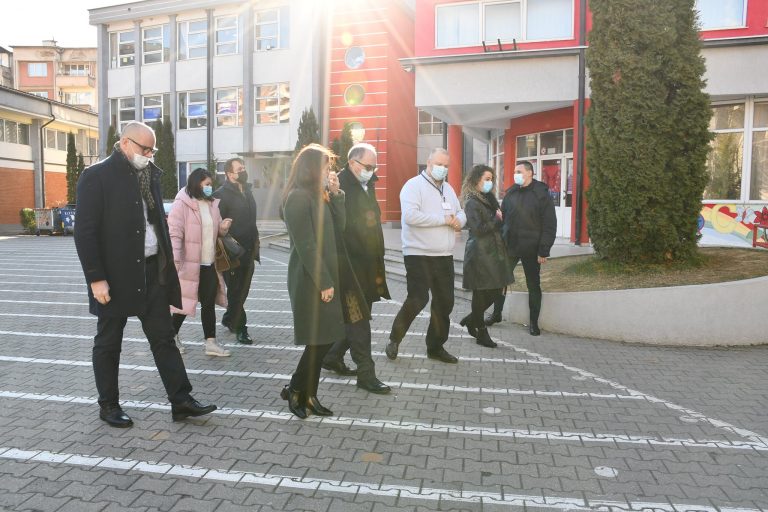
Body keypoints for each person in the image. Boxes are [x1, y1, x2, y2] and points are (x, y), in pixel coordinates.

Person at [74, 121, 217, 428]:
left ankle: (181, 401)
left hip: (151, 272)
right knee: (109, 341)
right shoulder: (96, 176)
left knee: (164, 338)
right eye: (145, 149)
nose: (150, 154)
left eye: (153, 149)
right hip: (114, 277)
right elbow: (84, 232)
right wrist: (96, 277)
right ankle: (108, 405)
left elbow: (155, 223)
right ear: (125, 143)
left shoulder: (149, 174)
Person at [280, 143, 347, 418]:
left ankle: (307, 392)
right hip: (310, 278)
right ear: (311, 168)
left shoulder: (319, 196)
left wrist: (337, 194)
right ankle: (298, 390)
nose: (328, 171)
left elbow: (341, 227)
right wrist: (324, 282)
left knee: (323, 339)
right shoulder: (297, 198)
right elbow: (306, 245)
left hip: (325, 275)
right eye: (325, 166)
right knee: (317, 340)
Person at [321, 143, 391, 394]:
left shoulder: (366, 183)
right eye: (368, 166)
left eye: (374, 167)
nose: (371, 172)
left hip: (367, 265)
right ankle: (366, 373)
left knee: (357, 317)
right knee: (358, 320)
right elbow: (337, 226)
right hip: (347, 267)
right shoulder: (337, 186)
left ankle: (332, 356)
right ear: (352, 163)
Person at [386, 148, 465, 364]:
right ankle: (395, 338)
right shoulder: (413, 186)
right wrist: (444, 219)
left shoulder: (448, 189)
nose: (443, 169)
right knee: (418, 299)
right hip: (418, 254)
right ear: (428, 164)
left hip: (444, 255)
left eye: (446, 165)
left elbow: (460, 212)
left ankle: (435, 346)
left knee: (445, 302)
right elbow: (411, 216)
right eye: (439, 164)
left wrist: (460, 221)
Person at [167, 168, 232, 357]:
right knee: (183, 305)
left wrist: (223, 227)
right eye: (207, 184)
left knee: (209, 303)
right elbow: (175, 234)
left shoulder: (212, 204)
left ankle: (210, 343)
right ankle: (172, 336)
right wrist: (176, 260)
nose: (210, 188)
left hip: (209, 263)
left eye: (211, 184)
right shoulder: (182, 204)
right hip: (189, 264)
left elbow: (216, 230)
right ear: (196, 183)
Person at [458, 165, 514, 347]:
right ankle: (481, 332)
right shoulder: (472, 202)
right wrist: (496, 220)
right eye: (486, 179)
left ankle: (472, 319)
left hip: (494, 251)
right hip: (480, 253)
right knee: (481, 293)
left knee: (497, 290)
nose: (490, 182)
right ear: (476, 181)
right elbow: (478, 229)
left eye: (491, 179)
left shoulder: (488, 199)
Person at [500, 160, 557, 336]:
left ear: (530, 173)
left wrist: (543, 250)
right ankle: (495, 314)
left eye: (519, 171)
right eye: (515, 171)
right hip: (511, 246)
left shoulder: (541, 194)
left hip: (532, 249)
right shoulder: (511, 193)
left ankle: (534, 323)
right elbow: (504, 218)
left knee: (533, 285)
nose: (515, 174)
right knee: (501, 281)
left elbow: (549, 224)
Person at [213, 157, 260, 345]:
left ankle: (229, 318)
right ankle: (241, 328)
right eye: (239, 169)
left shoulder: (247, 191)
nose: (243, 171)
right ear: (229, 174)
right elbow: (216, 224)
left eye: (243, 168)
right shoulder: (220, 194)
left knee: (243, 290)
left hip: (249, 251)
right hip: (231, 253)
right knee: (236, 291)